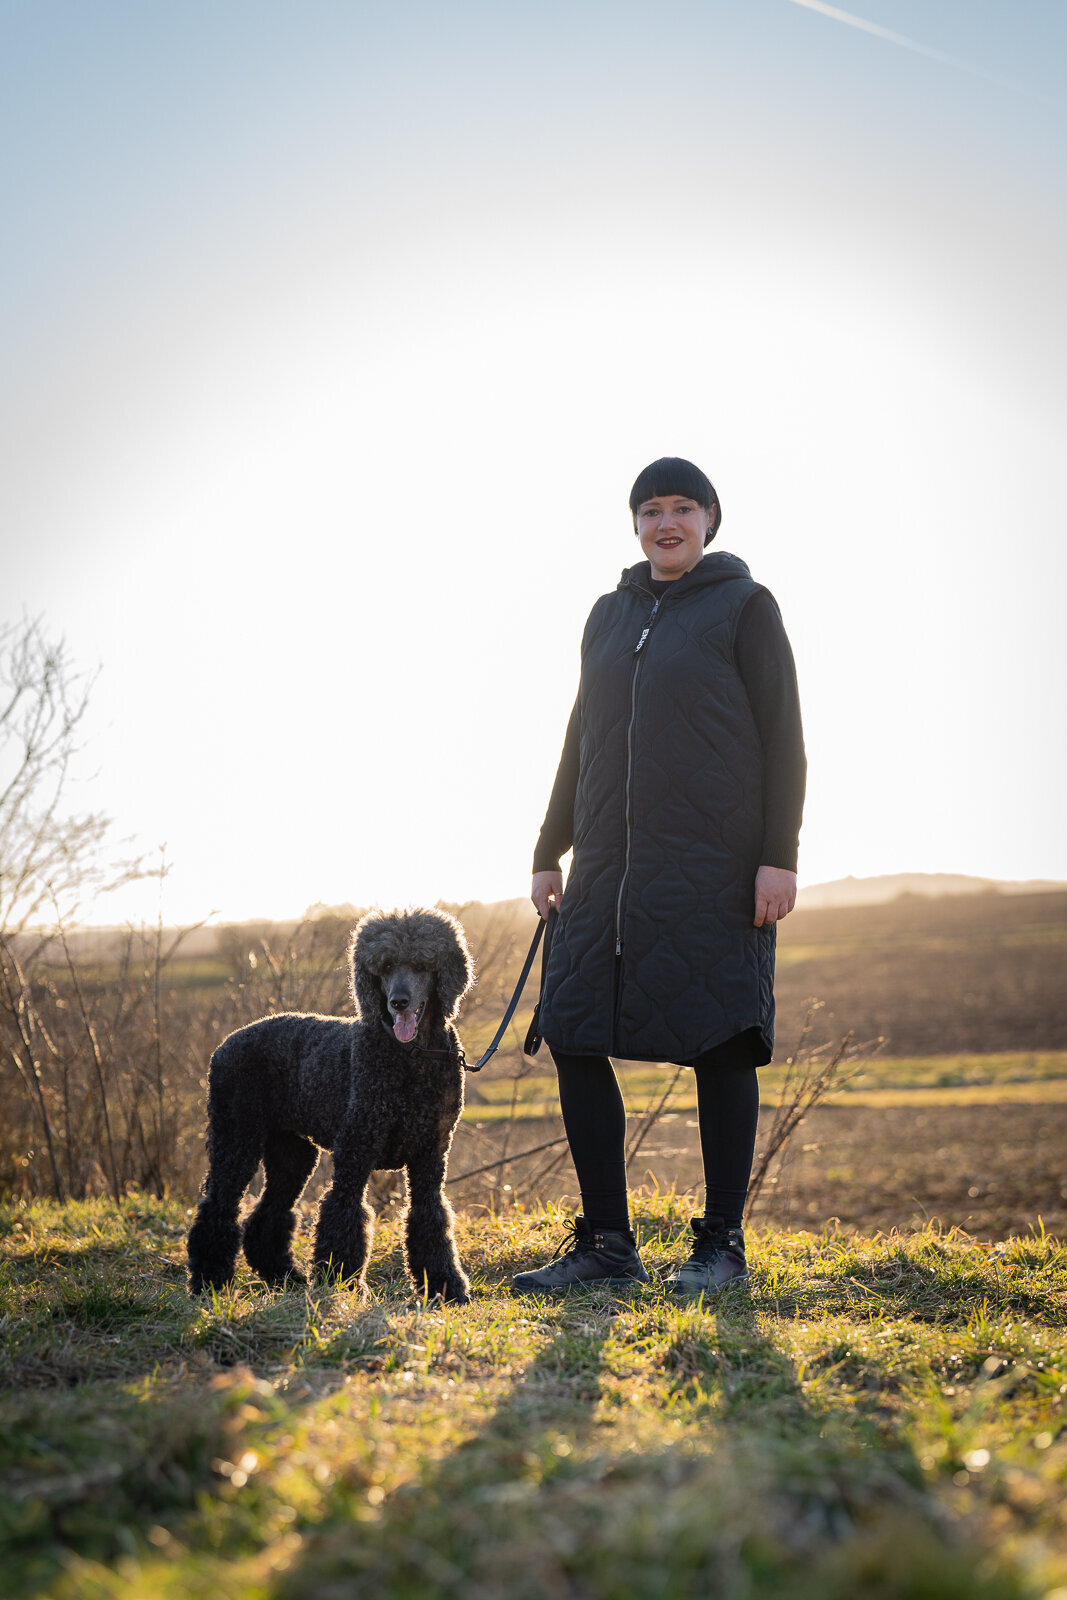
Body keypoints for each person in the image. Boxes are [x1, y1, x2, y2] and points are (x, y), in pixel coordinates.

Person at [512, 457, 805, 1297]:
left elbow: (784, 735)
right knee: (570, 1032)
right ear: (633, 524)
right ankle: (607, 1243)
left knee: (721, 1042)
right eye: (649, 510)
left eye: (682, 507)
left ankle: (720, 1248)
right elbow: (579, 737)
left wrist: (777, 854)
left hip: (712, 868)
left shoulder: (745, 607)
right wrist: (547, 847)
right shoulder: (606, 615)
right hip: (604, 870)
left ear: (710, 519)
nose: (664, 522)